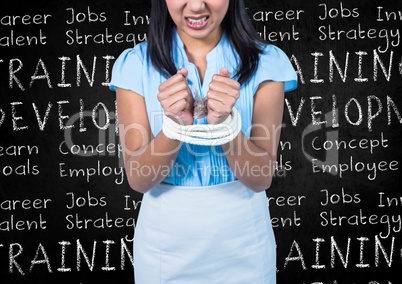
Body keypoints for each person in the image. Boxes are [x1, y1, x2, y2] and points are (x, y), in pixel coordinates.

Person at [110, 0, 297, 283]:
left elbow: (261, 179)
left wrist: (226, 127)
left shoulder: (267, 62)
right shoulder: (135, 64)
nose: (196, 6)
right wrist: (174, 127)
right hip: (165, 248)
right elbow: (139, 179)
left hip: (244, 243)